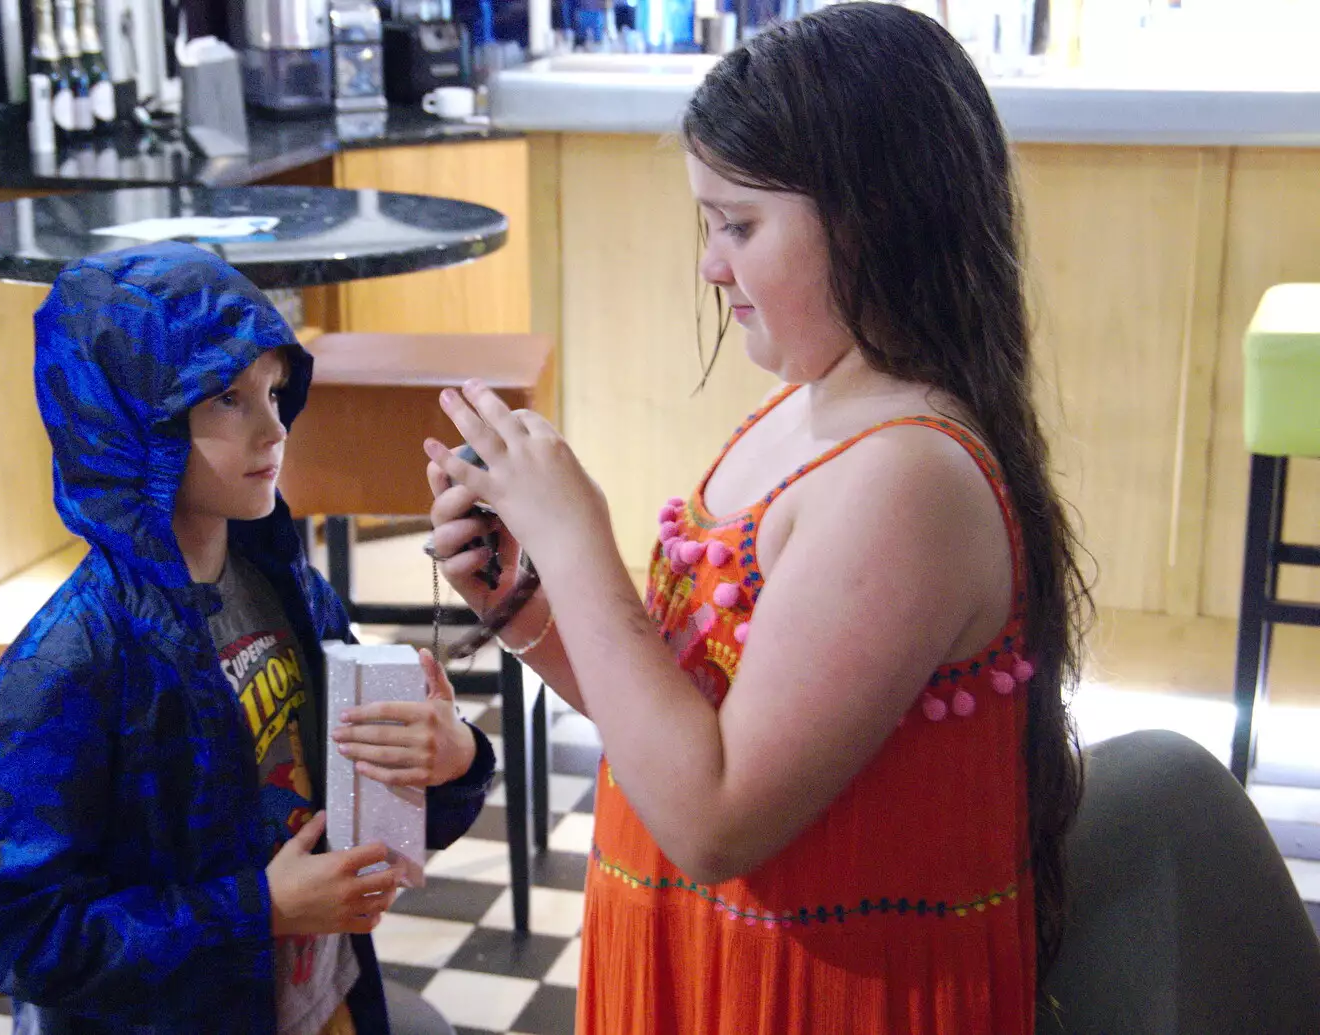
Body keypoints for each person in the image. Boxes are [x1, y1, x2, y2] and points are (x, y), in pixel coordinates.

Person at [423, 5, 1088, 1033]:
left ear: (873, 217)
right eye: (707, 223)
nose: (711, 266)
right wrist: (528, 606)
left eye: (738, 223)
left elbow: (715, 818)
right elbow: (685, 726)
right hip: (709, 954)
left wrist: (575, 540)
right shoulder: (806, 407)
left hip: (816, 993)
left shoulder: (904, 479)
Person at [0, 241, 496, 1035]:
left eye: (275, 392)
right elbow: (25, 934)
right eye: (226, 400)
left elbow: (375, 812)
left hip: (324, 994)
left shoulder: (289, 589)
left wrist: (450, 764)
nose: (275, 428)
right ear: (130, 423)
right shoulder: (67, 664)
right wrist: (258, 909)